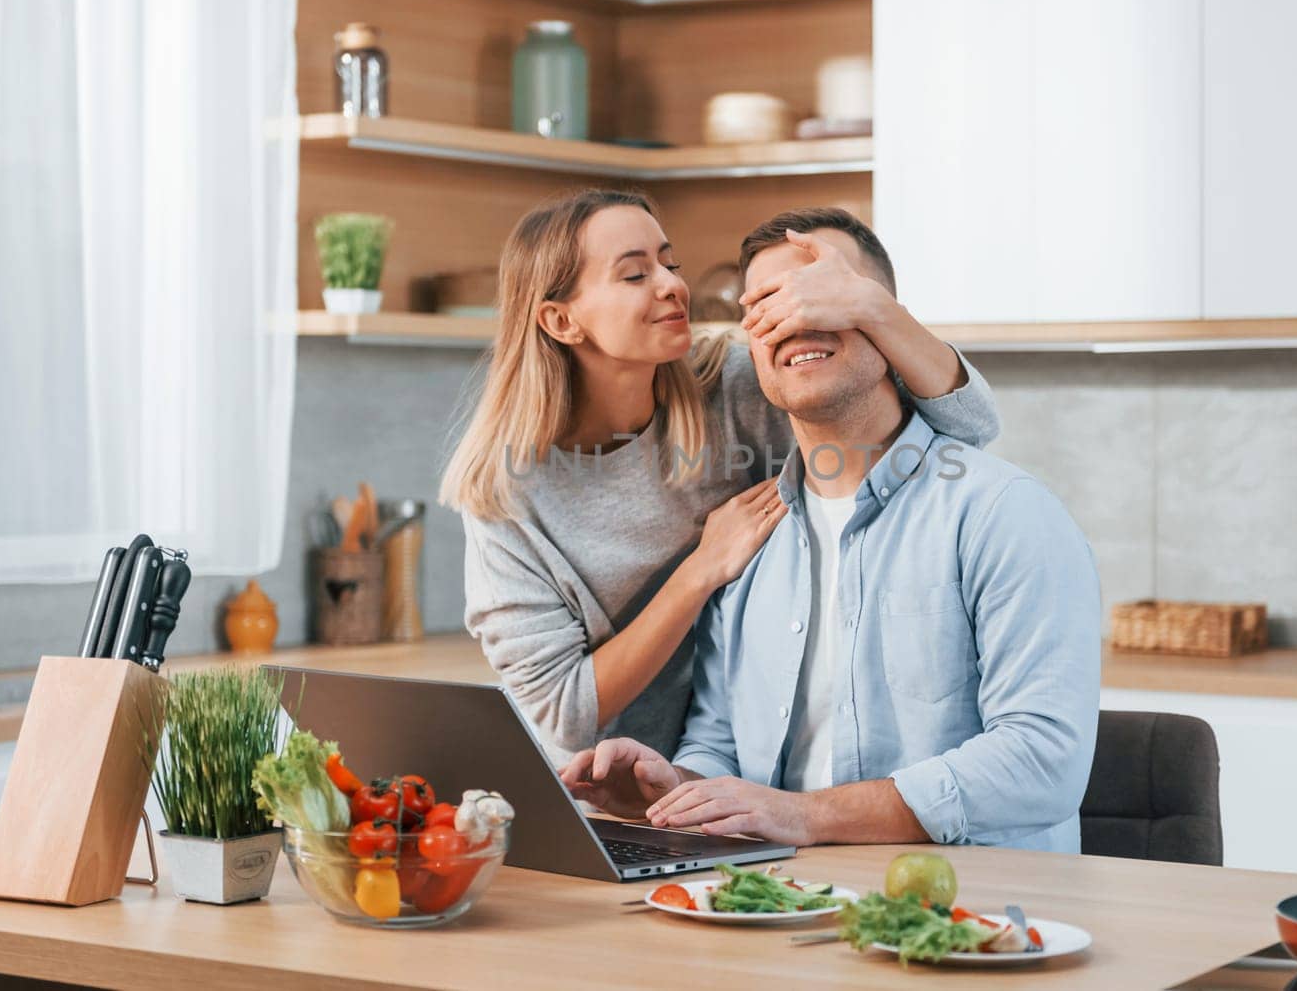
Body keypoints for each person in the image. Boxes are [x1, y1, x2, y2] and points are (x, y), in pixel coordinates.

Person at [561, 208, 1101, 851]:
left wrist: (805, 816)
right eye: (766, 304)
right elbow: (721, 742)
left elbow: (1043, 762)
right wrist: (674, 790)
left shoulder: (1002, 514)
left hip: (966, 919)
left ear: (881, 318)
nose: (795, 320)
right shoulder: (744, 540)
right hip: (786, 909)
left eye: (823, 295)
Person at [439, 189, 1004, 767]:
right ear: (561, 320)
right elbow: (564, 710)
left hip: (744, 772)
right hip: (611, 795)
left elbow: (969, 426)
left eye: (669, 263)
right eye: (635, 274)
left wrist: (872, 307)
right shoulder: (504, 495)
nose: (671, 285)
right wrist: (702, 570)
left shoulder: (734, 389)